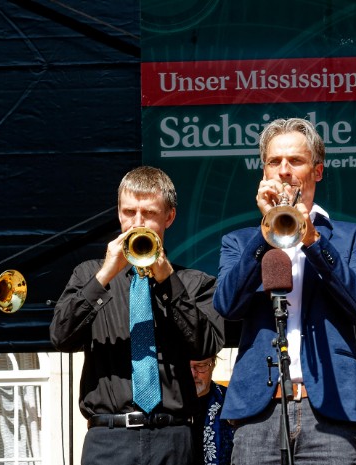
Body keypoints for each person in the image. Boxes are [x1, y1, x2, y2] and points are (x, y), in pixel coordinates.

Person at [213, 118, 356, 465]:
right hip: (259, 412)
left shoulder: (353, 238)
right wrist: (264, 234)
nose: (285, 170)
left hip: (331, 414)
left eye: (296, 161)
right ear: (263, 172)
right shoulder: (240, 241)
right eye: (275, 162)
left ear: (317, 171)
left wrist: (314, 242)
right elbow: (227, 305)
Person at [50, 166, 225, 465]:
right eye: (129, 212)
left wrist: (168, 281)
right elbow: (61, 337)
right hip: (108, 437)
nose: (137, 223)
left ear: (169, 217)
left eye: (149, 213)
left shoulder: (195, 282)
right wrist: (105, 275)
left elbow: (206, 345)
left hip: (173, 436)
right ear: (118, 213)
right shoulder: (88, 274)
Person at [190, 356, 233, 465]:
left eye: (200, 366)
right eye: (186, 367)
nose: (193, 374)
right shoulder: (167, 404)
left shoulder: (231, 400)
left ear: (213, 364)